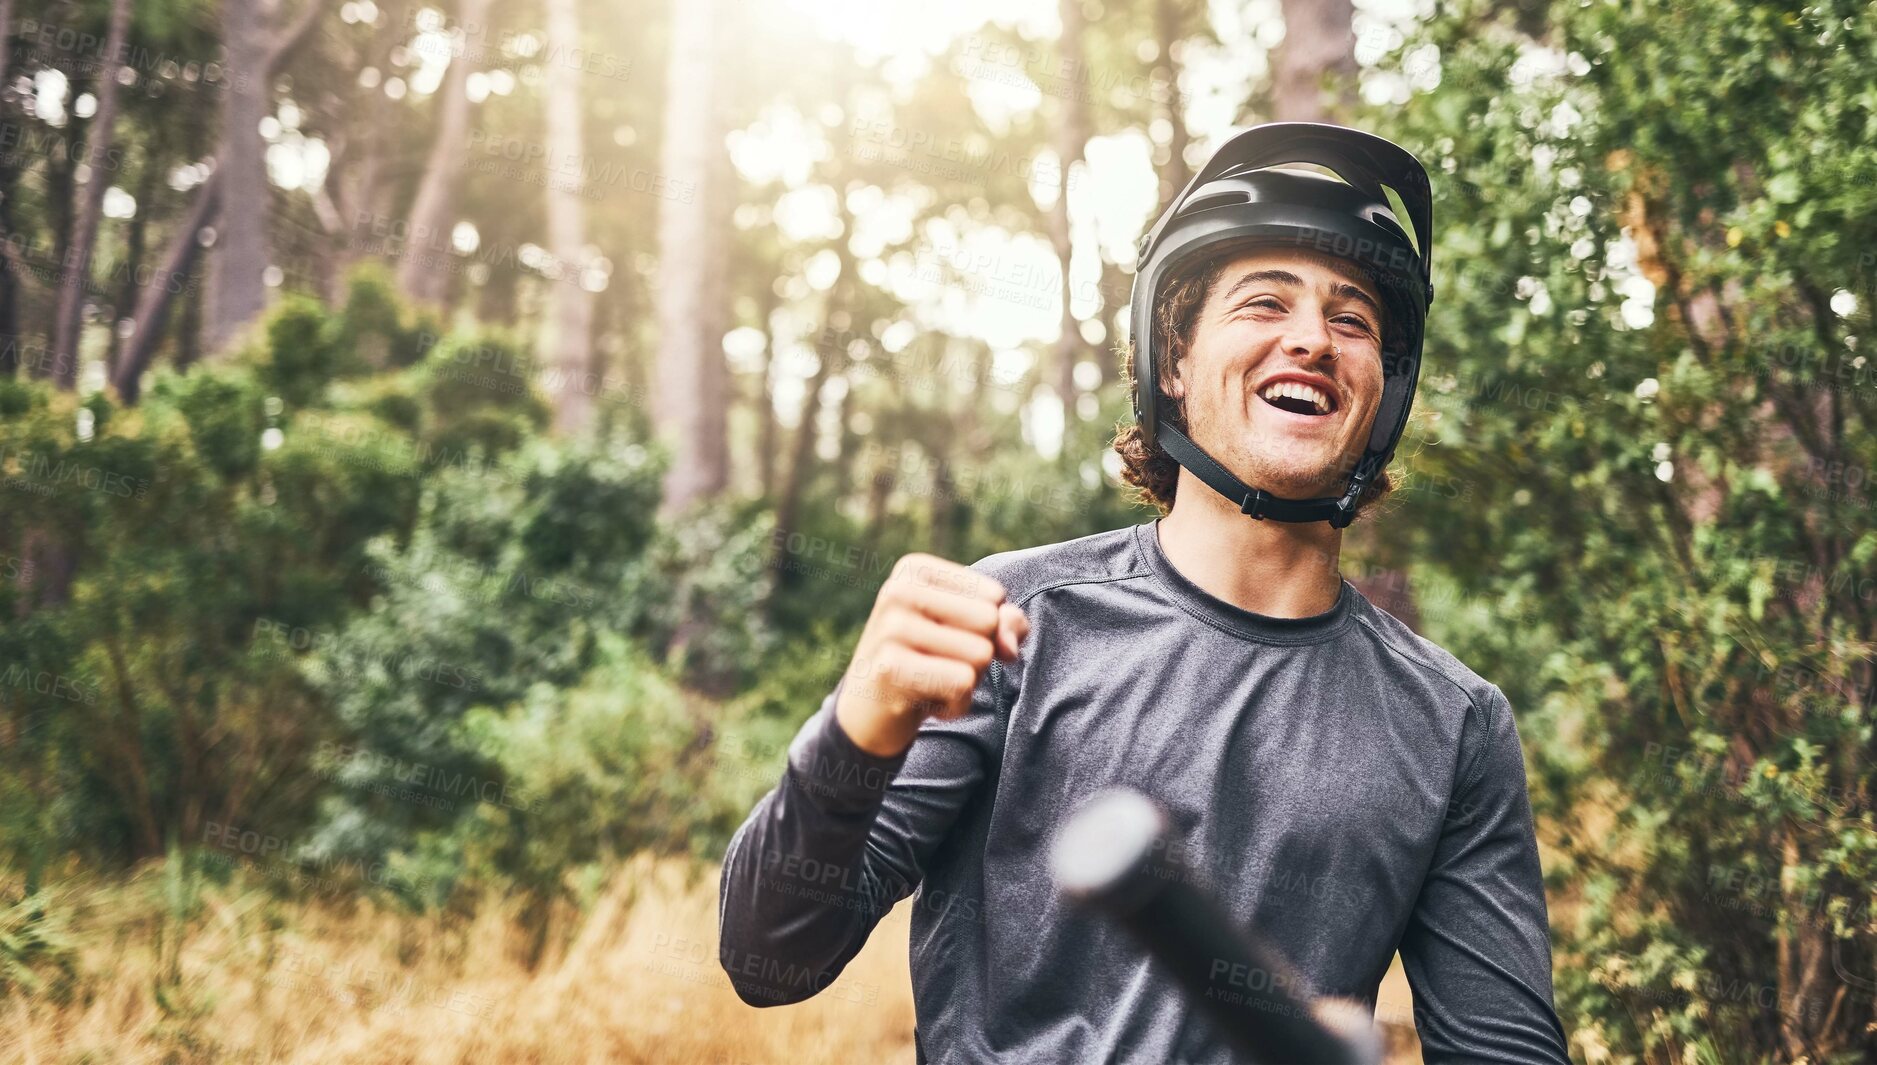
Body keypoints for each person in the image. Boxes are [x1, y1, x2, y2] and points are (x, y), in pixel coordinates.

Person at [717, 122, 1572, 1064]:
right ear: (1173, 364)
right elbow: (769, 959)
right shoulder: (1014, 622)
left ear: (1385, 389)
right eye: (1263, 303)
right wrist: (855, 728)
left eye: (1352, 318)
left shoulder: (1452, 723)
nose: (1310, 340)